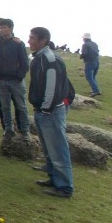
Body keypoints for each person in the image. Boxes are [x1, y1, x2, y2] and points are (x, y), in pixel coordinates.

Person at [28, 27, 75, 198]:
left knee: (57, 149)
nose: (29, 41)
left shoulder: (50, 60)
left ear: (43, 41)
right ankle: (54, 178)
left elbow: (52, 87)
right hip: (42, 110)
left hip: (51, 112)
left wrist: (46, 108)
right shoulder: (39, 58)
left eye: (32, 38)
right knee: (49, 149)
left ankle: (65, 187)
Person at [0, 18, 31, 140]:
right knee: (5, 107)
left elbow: (24, 62)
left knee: (21, 106)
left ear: (11, 28)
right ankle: (8, 129)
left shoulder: (18, 44)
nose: (1, 30)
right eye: (0, 27)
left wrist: (20, 75)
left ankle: (25, 131)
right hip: (1, 80)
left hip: (16, 80)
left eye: (4, 27)